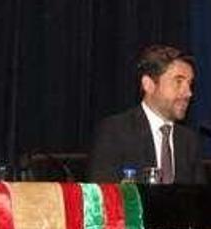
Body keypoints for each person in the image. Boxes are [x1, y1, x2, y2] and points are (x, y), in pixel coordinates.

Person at [87, 44, 204, 184]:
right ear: (148, 84)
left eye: (190, 84)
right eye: (178, 82)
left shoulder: (189, 142)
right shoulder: (115, 132)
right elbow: (103, 196)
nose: (188, 93)